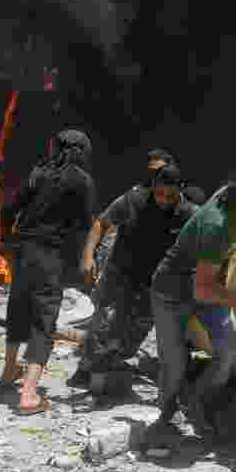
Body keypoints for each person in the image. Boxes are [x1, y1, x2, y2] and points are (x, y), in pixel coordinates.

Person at [148, 152, 236, 429]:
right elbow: (202, 290)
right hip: (172, 291)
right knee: (174, 363)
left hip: (209, 286)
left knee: (230, 352)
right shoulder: (217, 223)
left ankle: (196, 404)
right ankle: (164, 421)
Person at [67, 164, 198, 391]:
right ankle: (92, 382)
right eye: (159, 194)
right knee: (104, 329)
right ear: (153, 187)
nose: (164, 200)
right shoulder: (133, 200)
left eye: (170, 195)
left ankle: (106, 366)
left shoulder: (190, 214)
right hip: (120, 273)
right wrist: (88, 257)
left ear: (181, 190)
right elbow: (101, 223)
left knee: (132, 337)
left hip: (153, 282)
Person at [0, 129, 96, 414]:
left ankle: (7, 371)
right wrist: (87, 259)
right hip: (50, 255)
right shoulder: (82, 181)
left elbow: (9, 209)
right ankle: (28, 395)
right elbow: (87, 225)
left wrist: (6, 240)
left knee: (18, 308)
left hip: (22, 250)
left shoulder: (38, 173)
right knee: (44, 319)